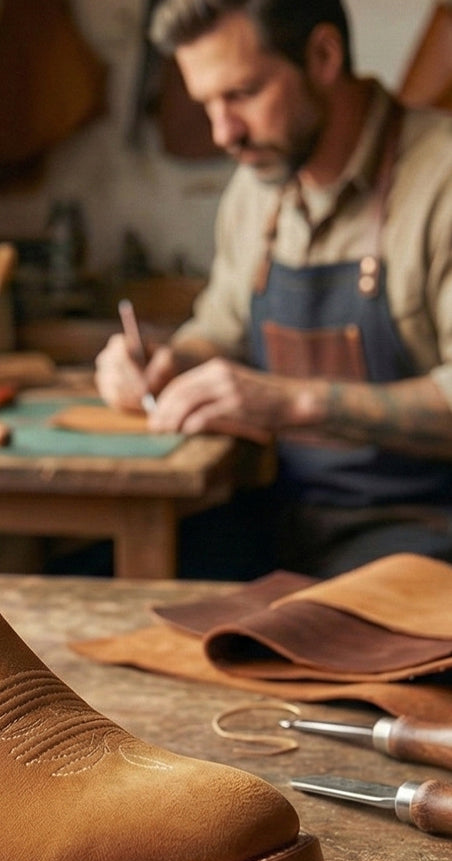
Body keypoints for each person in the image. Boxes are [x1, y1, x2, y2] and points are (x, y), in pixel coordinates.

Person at [94, 0, 452, 578]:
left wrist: (294, 402)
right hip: (283, 519)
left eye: (243, 94)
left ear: (324, 56)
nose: (223, 133)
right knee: (91, 584)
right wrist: (167, 361)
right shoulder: (258, 186)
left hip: (425, 535)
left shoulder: (441, 181)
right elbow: (222, 329)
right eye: (208, 103)